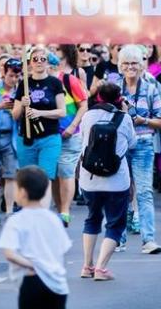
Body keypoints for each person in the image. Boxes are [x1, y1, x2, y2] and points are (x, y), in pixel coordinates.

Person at [104, 44, 161, 254]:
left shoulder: (150, 88)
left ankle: (148, 240)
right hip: (118, 146)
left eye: (134, 63)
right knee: (119, 191)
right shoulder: (113, 88)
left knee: (145, 192)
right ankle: (118, 239)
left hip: (143, 145)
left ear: (141, 66)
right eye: (126, 63)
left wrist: (143, 120)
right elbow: (102, 115)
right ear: (120, 66)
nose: (130, 67)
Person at [78, 82, 137, 281]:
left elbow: (82, 142)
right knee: (115, 223)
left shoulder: (88, 116)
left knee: (92, 218)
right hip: (116, 181)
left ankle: (87, 265)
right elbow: (133, 143)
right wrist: (125, 113)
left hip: (90, 178)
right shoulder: (125, 118)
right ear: (119, 99)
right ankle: (101, 268)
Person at [0, 166, 71, 308]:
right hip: (57, 283)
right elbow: (63, 248)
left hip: (32, 280)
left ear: (23, 192)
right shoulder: (53, 219)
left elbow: (9, 254)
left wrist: (32, 265)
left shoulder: (16, 220)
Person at [13, 46, 65, 184]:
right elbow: (15, 115)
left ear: (47, 62)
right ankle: (31, 206)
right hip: (27, 138)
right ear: (30, 63)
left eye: (43, 59)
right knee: (28, 180)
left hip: (49, 138)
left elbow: (62, 112)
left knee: (45, 179)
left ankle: (42, 206)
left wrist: (39, 113)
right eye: (35, 59)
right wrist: (23, 106)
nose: (39, 62)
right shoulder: (24, 83)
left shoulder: (55, 83)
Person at [52, 53, 89, 228]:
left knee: (66, 172)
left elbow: (84, 104)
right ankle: (59, 210)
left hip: (70, 135)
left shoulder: (69, 80)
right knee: (53, 176)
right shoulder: (37, 83)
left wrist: (73, 126)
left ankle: (65, 211)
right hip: (49, 136)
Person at [0, 56, 21, 227]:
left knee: (10, 175)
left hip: (11, 137)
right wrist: (2, 105)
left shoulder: (21, 91)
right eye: (11, 76)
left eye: (17, 76)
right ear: (3, 73)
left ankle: (8, 211)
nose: (14, 79)